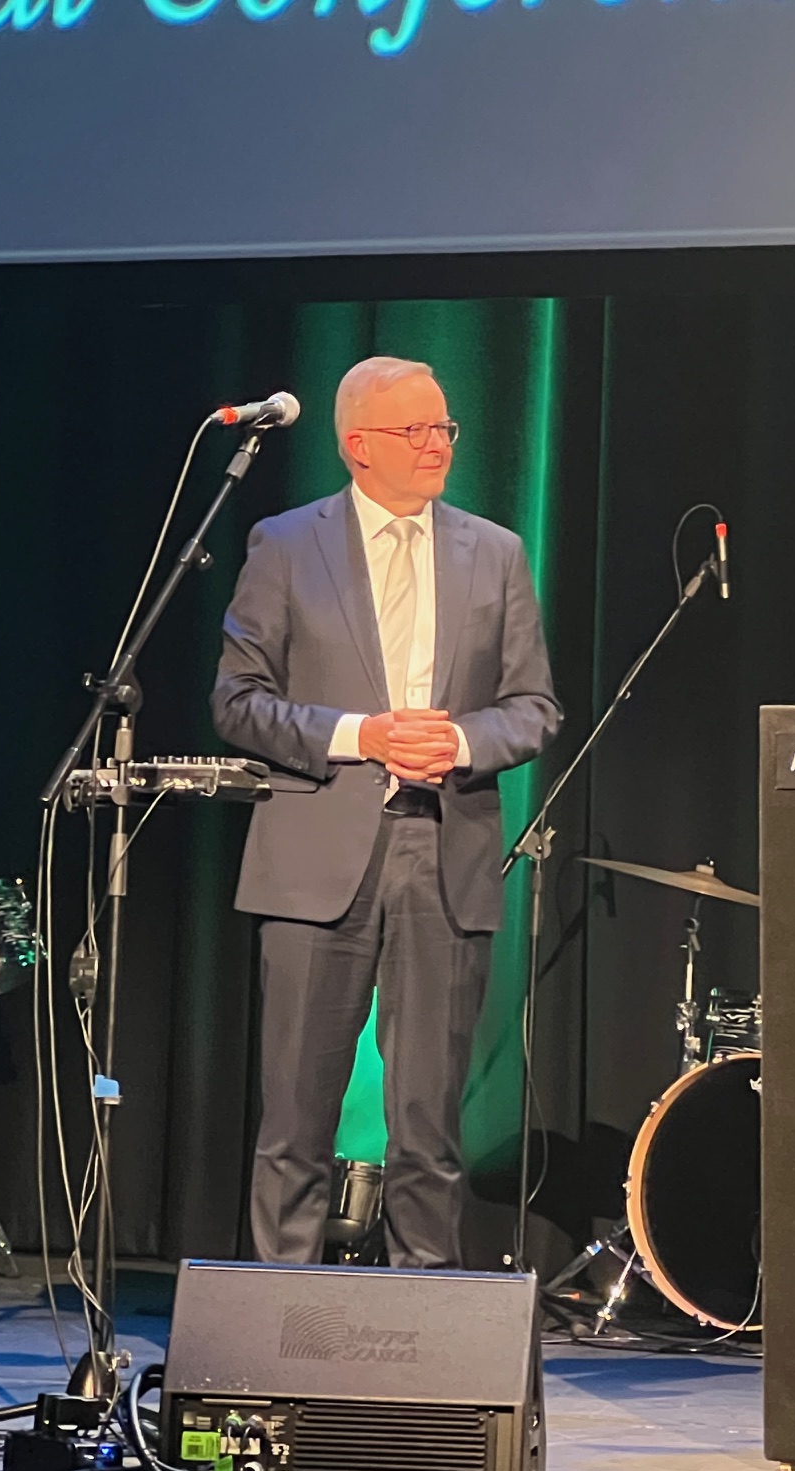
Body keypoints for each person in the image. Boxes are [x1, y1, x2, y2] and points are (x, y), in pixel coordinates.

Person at [213, 355, 561, 1268]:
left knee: (428, 1128)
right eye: (419, 430)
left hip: (443, 855)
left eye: (445, 427)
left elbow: (534, 707)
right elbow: (239, 702)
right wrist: (359, 734)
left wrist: (459, 744)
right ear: (360, 445)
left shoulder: (495, 552)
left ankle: (425, 1323)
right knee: (295, 1123)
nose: (440, 443)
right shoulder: (287, 544)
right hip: (316, 855)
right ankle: (281, 1316)